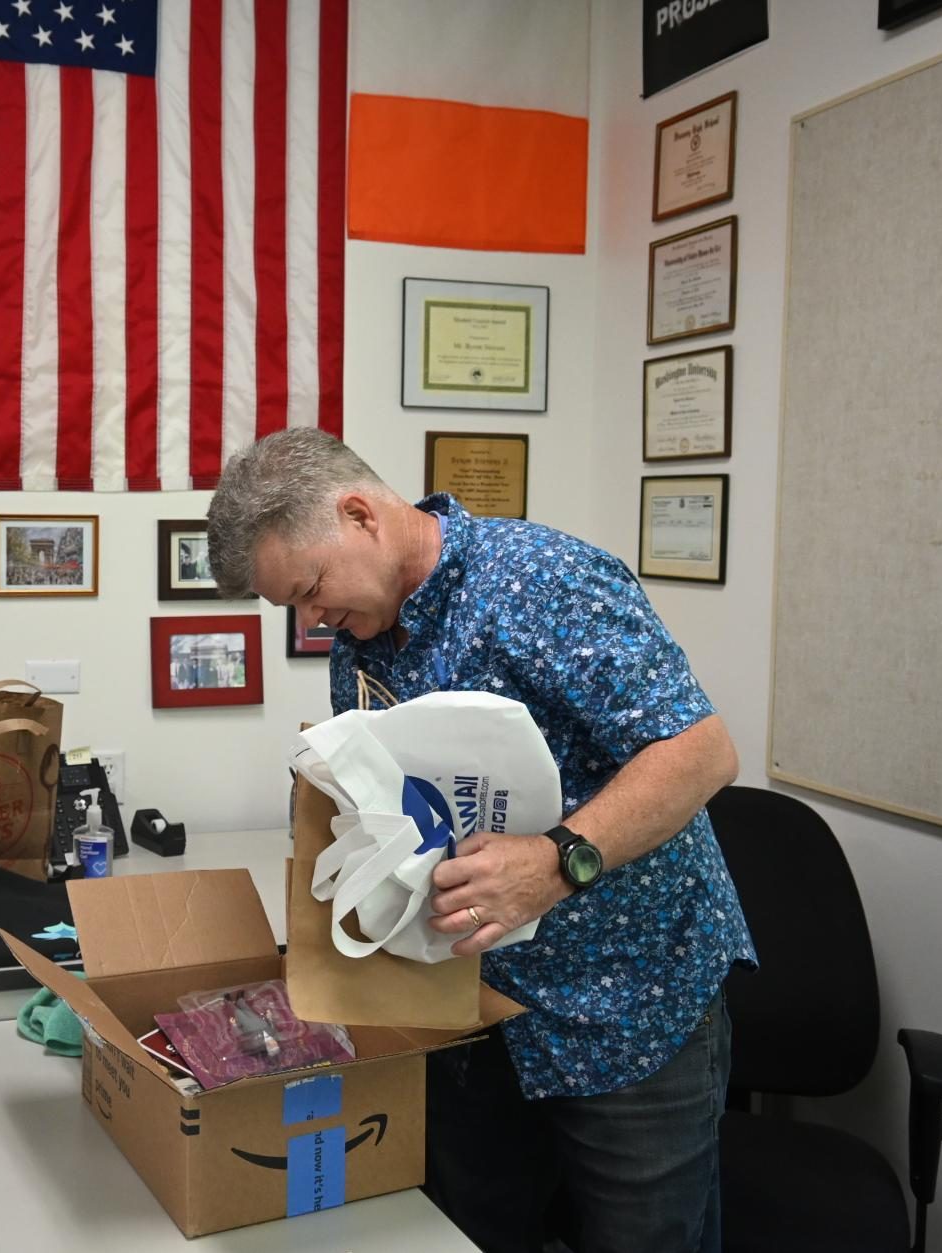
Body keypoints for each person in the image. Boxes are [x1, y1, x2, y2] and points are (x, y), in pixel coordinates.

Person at [207, 428, 755, 1253]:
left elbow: (699, 751)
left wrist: (555, 861)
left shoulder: (544, 582)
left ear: (359, 513)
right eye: (294, 606)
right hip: (472, 1013)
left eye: (310, 589)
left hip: (629, 1004)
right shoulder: (361, 635)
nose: (312, 619)